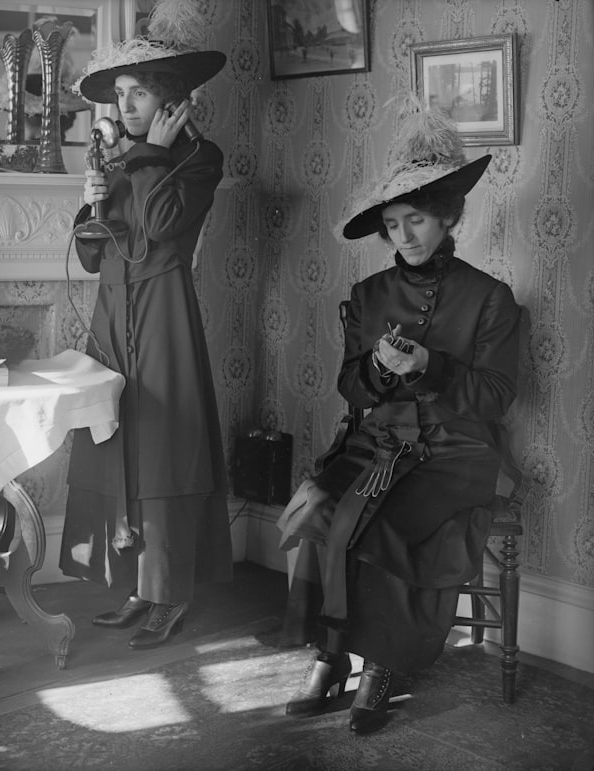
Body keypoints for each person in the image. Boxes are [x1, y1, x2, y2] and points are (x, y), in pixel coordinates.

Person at [277, 101, 521, 735]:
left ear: (446, 218)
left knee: (387, 526)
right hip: (375, 441)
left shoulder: (490, 297)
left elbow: (494, 397)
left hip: (454, 452)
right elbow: (351, 386)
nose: (405, 236)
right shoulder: (367, 296)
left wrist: (428, 368)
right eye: (392, 224)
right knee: (325, 509)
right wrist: (383, 373)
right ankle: (329, 658)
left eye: (417, 220)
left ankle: (383, 666)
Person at [58, 0, 232, 650]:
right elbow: (92, 252)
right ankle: (136, 584)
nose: (127, 106)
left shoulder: (198, 158)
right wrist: (90, 205)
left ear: (171, 99)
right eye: (122, 94)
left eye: (139, 94)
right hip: (112, 314)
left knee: (162, 450)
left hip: (162, 317)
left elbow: (161, 228)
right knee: (118, 443)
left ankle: (171, 593)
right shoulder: (126, 156)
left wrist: (151, 154)